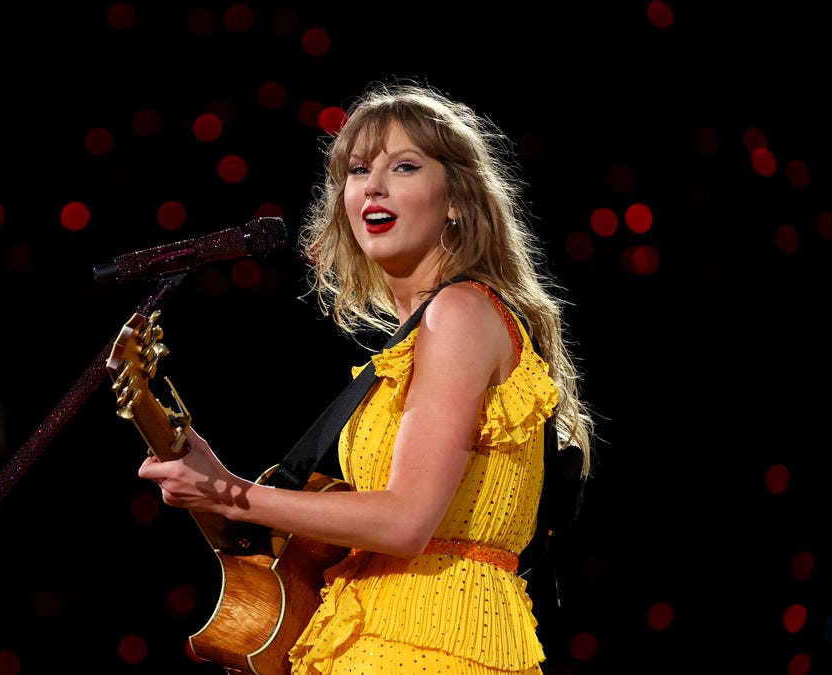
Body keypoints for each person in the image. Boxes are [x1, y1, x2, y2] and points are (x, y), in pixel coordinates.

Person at [137, 80, 594, 674]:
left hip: (431, 639)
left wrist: (233, 493)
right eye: (357, 170)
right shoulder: (412, 348)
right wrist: (219, 485)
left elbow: (406, 520)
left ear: (456, 199)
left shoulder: (461, 312)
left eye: (404, 166)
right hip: (370, 632)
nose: (373, 184)